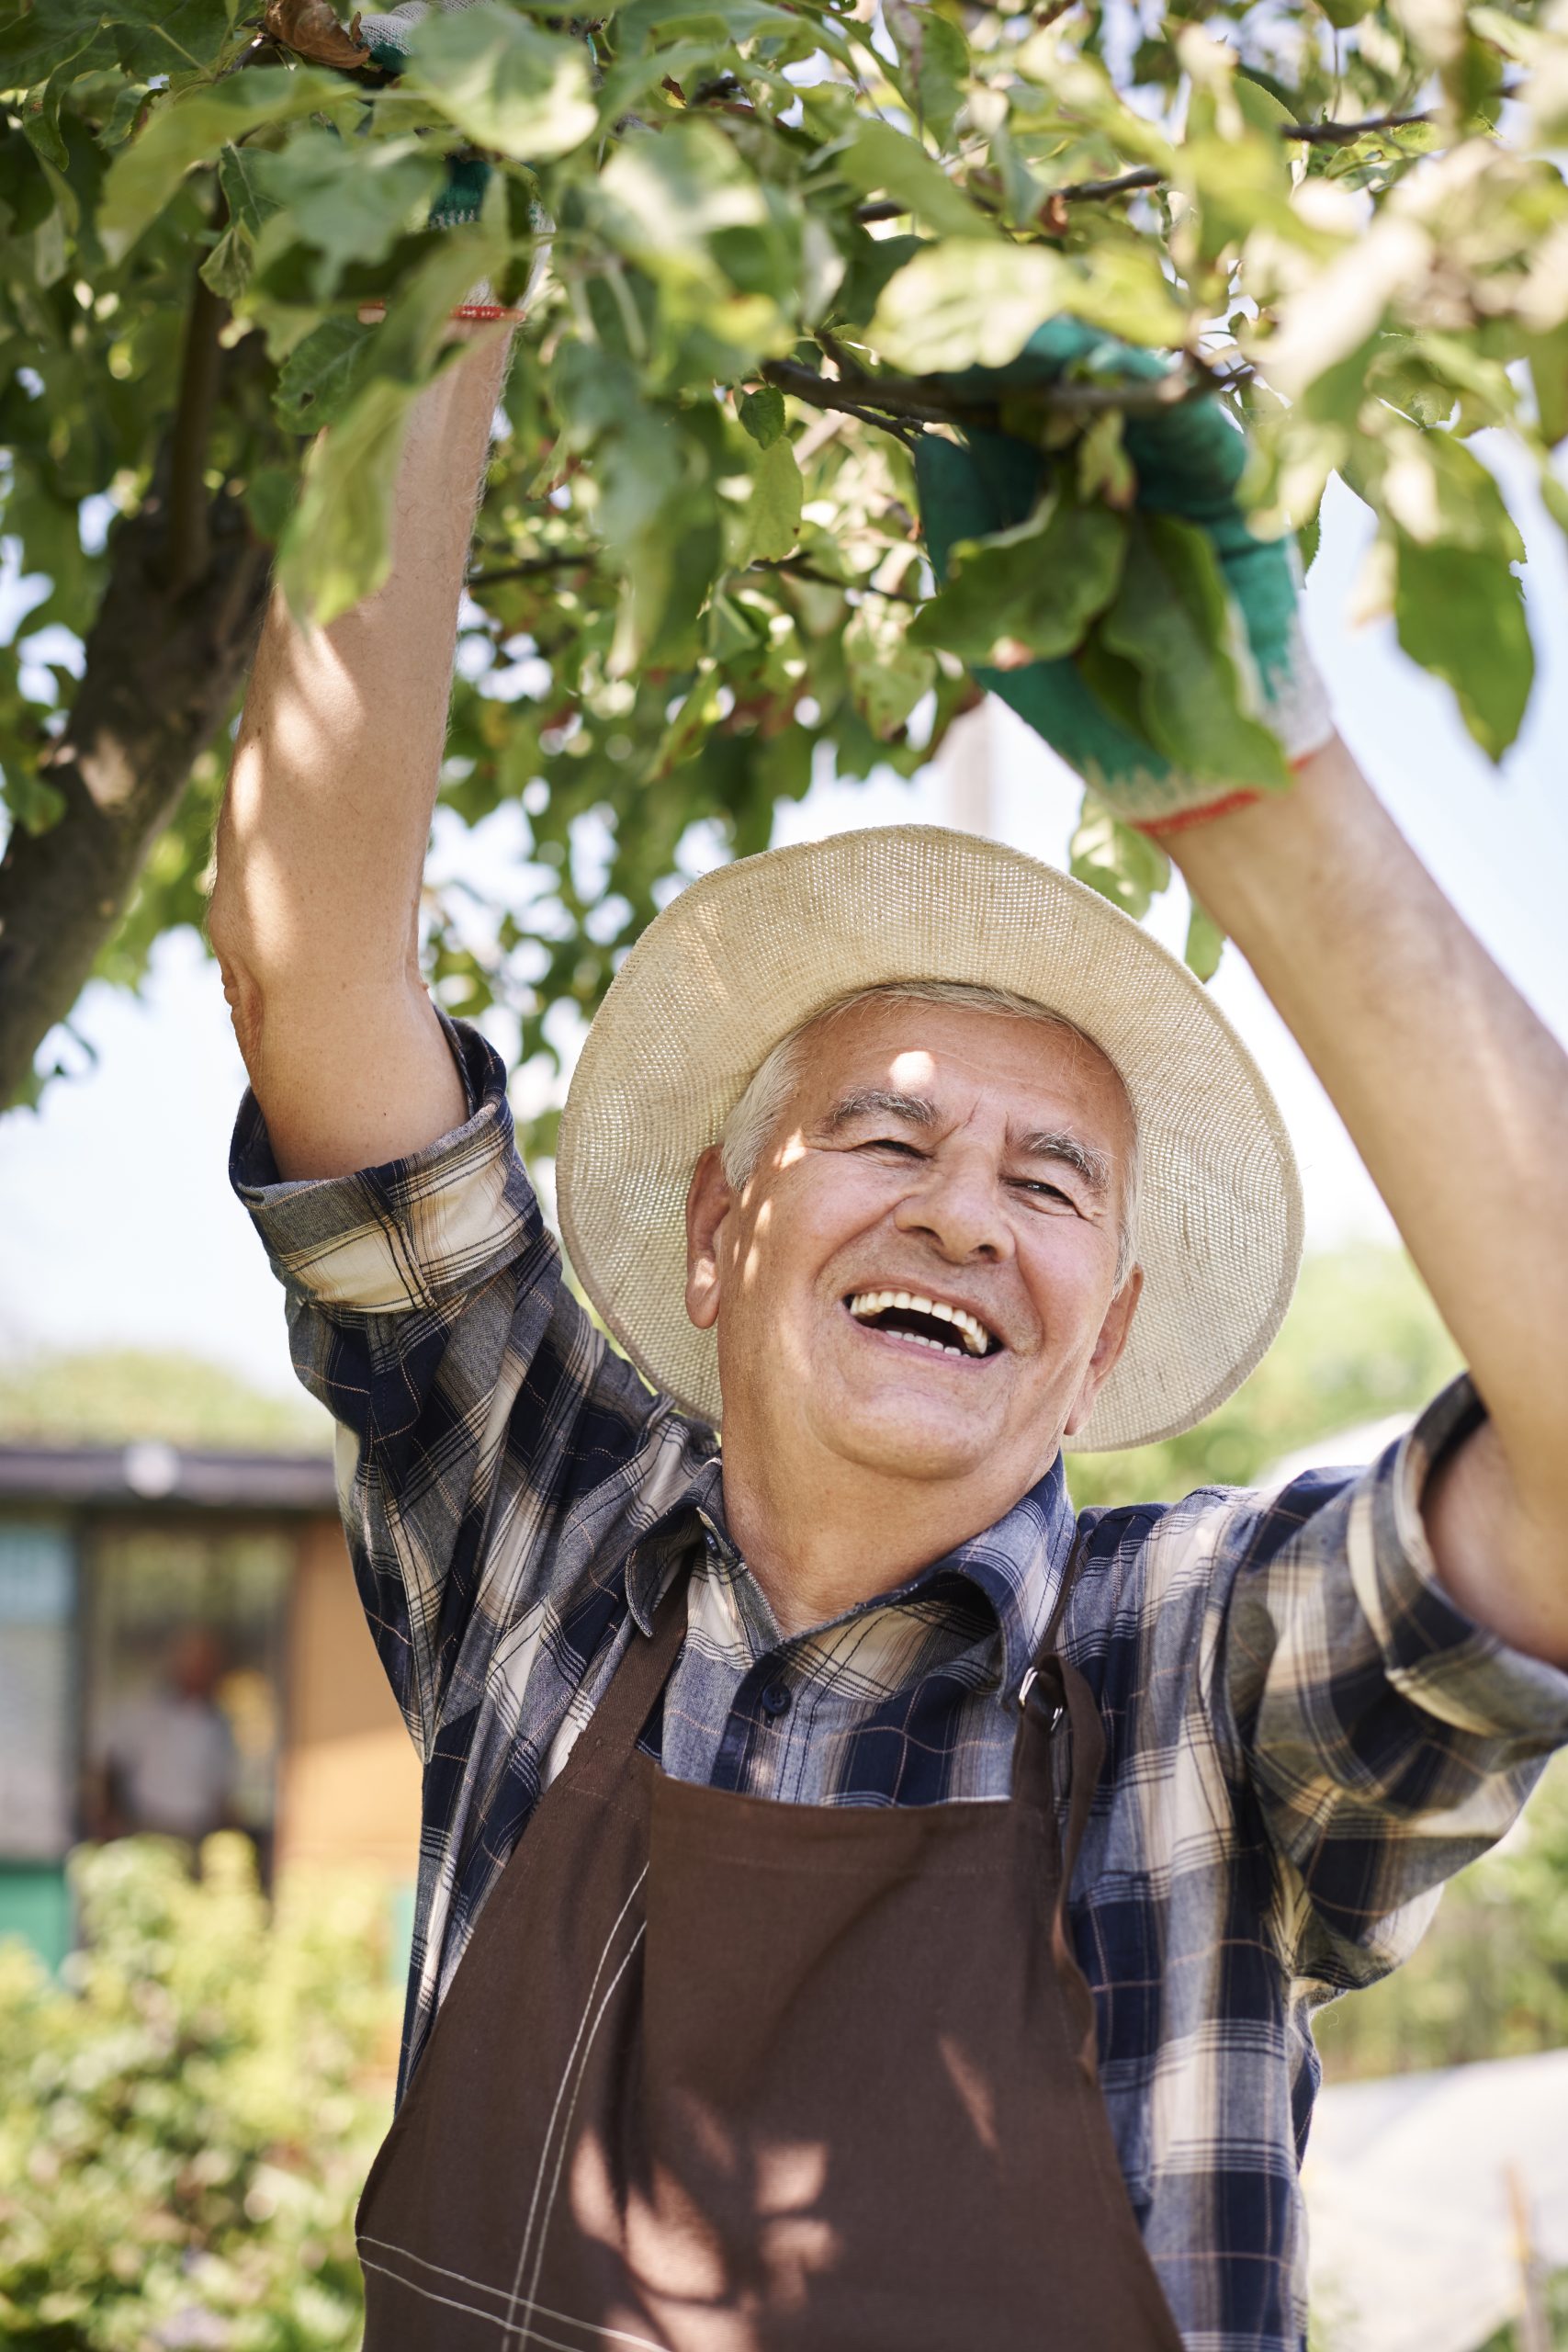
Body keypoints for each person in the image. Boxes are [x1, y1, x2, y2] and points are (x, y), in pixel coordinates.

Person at [209, 315, 1568, 2352]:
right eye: (884, 1130)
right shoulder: (540, 1532)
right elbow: (306, 985)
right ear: (708, 1227)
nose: (960, 1206)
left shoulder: (1194, 1685)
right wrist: (440, 283)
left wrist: (1264, 794)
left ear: (1095, 1344)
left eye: (1049, 1182)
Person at [89, 1626, 238, 1848]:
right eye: (194, 1663)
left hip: (198, 1829)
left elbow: (222, 1787)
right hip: (147, 1824)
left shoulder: (219, 1722)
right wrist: (109, 1820)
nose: (200, 1671)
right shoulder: (145, 1710)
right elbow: (113, 1764)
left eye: (206, 1665)